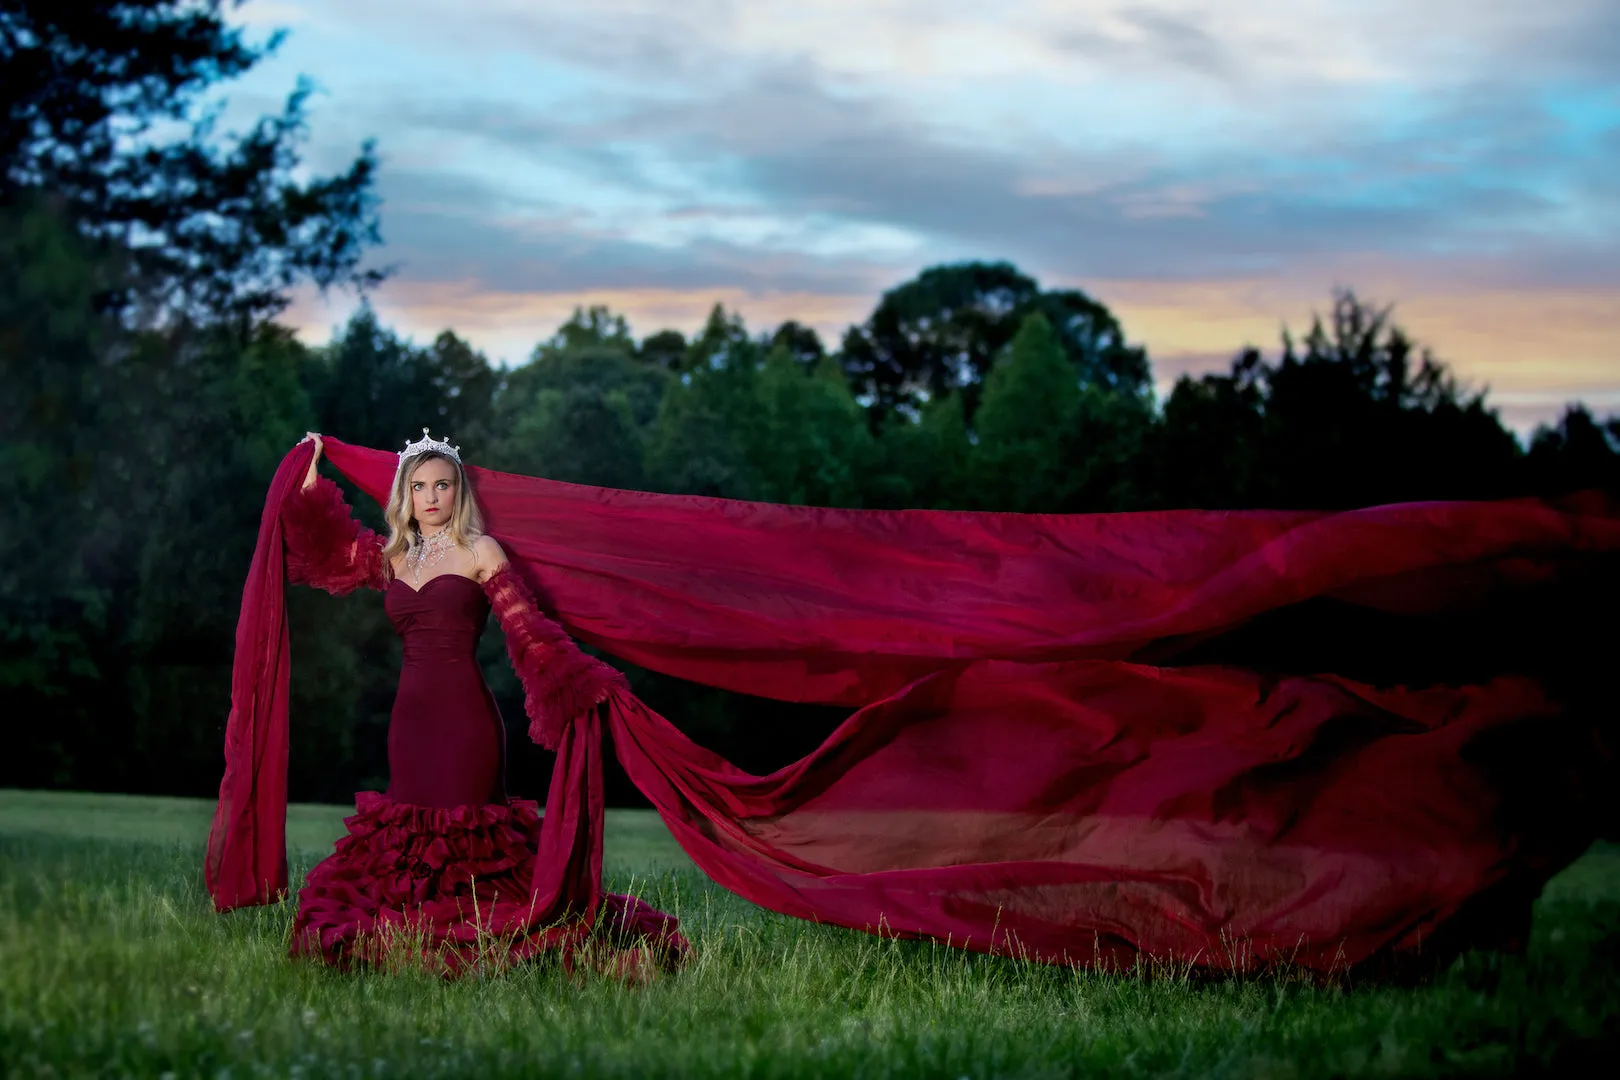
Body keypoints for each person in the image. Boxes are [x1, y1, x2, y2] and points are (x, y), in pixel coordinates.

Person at [280, 429, 686, 976]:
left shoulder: (481, 551)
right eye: (418, 486)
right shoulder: (392, 557)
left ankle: (517, 942)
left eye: (441, 485)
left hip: (466, 720)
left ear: (458, 492)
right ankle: (422, 941)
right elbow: (325, 550)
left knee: (474, 848)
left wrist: (581, 680)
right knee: (409, 841)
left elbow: (528, 631)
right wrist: (313, 464)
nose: (430, 497)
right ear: (405, 495)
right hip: (410, 722)